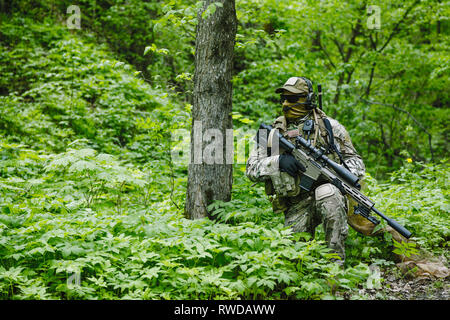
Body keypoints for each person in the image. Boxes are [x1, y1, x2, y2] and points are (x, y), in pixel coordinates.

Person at [246, 76, 366, 264]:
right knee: (293, 260)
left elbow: (356, 162)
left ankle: (334, 268)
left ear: (308, 99)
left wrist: (333, 173)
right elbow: (251, 169)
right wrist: (278, 161)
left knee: (330, 194)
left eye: (292, 99)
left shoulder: (330, 127)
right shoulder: (270, 133)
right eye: (283, 99)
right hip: (295, 203)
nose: (286, 104)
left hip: (328, 193)